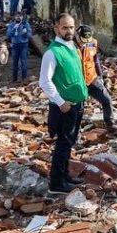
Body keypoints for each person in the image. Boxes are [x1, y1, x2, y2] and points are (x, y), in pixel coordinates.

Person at [39, 13, 88, 193]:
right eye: (65, 27)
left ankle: (65, 175)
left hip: (76, 104)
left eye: (71, 27)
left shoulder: (72, 47)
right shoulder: (53, 52)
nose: (69, 31)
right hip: (64, 107)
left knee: (69, 143)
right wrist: (60, 101)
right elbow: (44, 81)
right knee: (62, 144)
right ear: (56, 28)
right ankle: (57, 184)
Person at [75, 25, 117, 132]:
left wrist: (100, 76)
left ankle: (111, 124)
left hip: (92, 78)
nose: (85, 43)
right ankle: (76, 135)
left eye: (87, 40)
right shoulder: (70, 46)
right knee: (78, 109)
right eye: (83, 40)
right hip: (77, 82)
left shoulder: (93, 42)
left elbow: (95, 60)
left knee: (106, 99)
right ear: (77, 36)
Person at [6, 12, 32, 83]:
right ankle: (14, 79)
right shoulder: (11, 25)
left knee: (23, 62)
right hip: (15, 45)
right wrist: (14, 29)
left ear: (22, 17)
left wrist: (25, 33)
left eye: (20, 16)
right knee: (15, 62)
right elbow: (8, 35)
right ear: (14, 17)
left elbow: (30, 35)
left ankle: (24, 79)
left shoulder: (25, 24)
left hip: (24, 45)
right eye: (17, 16)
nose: (18, 17)